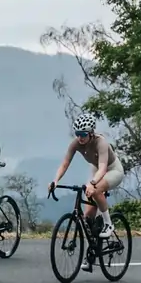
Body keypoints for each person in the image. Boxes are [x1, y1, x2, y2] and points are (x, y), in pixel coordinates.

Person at [47, 110, 124, 270]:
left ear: (91, 133)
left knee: (95, 190)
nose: (80, 137)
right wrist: (55, 180)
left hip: (112, 170)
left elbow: (103, 167)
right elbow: (65, 163)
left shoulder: (100, 143)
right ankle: (92, 254)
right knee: (87, 218)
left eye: (83, 134)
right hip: (96, 170)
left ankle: (109, 224)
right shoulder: (75, 144)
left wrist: (93, 183)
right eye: (77, 134)